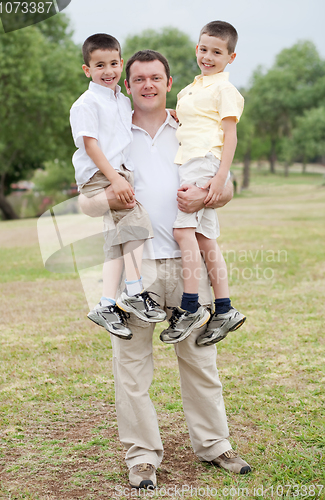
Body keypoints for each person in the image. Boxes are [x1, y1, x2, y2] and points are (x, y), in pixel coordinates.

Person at [79, 49, 251, 489]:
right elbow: (85, 202)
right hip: (136, 268)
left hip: (185, 263)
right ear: (127, 85)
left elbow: (225, 187)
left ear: (170, 82)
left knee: (199, 360)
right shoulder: (112, 133)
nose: (148, 85)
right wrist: (108, 199)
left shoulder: (190, 126)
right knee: (131, 368)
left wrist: (208, 196)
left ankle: (214, 445)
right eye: (139, 80)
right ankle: (142, 457)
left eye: (156, 77)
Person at [70, 34, 166, 340]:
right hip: (102, 174)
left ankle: (106, 303)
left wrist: (172, 113)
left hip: (119, 172)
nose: (108, 70)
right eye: (99, 65)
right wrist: (114, 179)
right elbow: (91, 145)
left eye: (113, 63)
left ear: (120, 63)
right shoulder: (87, 103)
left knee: (117, 238)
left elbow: (134, 122)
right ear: (87, 70)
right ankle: (134, 292)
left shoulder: (121, 101)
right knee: (138, 223)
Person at [161, 21, 246, 347]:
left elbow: (229, 135)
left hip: (204, 163)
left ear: (231, 57)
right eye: (203, 49)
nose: (207, 56)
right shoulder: (191, 89)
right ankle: (224, 309)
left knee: (182, 232)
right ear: (197, 48)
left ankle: (192, 306)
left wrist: (219, 179)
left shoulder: (225, 90)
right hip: (192, 162)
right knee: (204, 238)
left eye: (216, 52)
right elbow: (194, 119)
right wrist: (174, 114)